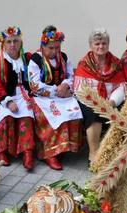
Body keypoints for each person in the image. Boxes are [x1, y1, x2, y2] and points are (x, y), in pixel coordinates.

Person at [28, 25, 83, 170]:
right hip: (42, 98)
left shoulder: (63, 57)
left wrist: (65, 85)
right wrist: (55, 91)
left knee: (73, 112)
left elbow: (71, 76)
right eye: (51, 48)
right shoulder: (35, 59)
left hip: (62, 95)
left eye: (57, 47)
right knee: (52, 117)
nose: (55, 51)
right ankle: (49, 154)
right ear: (43, 45)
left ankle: (64, 148)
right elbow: (34, 84)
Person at [74, 28, 126, 165]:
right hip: (89, 102)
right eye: (97, 44)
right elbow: (79, 89)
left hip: (111, 101)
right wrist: (96, 102)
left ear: (108, 44)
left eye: (104, 43)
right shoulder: (84, 64)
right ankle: (94, 153)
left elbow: (121, 86)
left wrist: (112, 102)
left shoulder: (116, 63)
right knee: (93, 114)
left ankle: (116, 152)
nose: (101, 46)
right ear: (91, 46)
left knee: (125, 111)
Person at [0, 26, 34, 170]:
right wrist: (8, 102)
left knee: (26, 118)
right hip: (4, 96)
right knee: (5, 117)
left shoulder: (27, 58)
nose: (12, 45)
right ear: (3, 44)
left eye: (16, 41)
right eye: (9, 42)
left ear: (21, 43)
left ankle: (27, 153)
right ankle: (1, 152)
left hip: (24, 94)